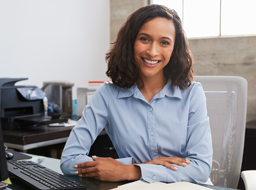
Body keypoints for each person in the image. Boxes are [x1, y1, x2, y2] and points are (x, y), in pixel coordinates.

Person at [60, 4, 213, 183]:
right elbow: (69, 160)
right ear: (131, 41)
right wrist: (145, 166)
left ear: (174, 49)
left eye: (164, 42)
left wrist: (132, 171)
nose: (153, 51)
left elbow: (201, 169)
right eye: (145, 39)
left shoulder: (192, 94)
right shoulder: (107, 94)